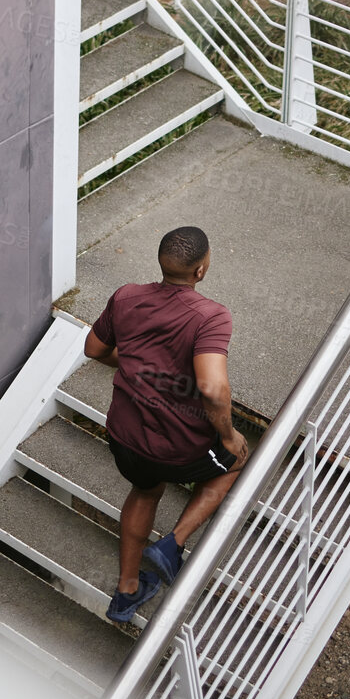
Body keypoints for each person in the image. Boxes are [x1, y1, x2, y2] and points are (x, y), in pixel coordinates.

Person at [84, 226, 249, 623]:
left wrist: (138, 368)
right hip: (178, 449)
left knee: (145, 490)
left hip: (124, 437)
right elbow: (211, 389)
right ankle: (172, 544)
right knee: (240, 457)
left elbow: (94, 349)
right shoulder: (210, 316)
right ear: (201, 270)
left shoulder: (126, 296)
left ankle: (126, 592)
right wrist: (228, 435)